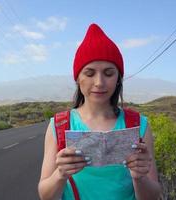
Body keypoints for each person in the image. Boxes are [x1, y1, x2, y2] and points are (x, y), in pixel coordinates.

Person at [38, 23, 162, 200]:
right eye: (89, 74)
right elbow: (45, 195)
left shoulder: (139, 125)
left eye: (109, 73)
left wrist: (139, 177)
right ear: (78, 78)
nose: (99, 82)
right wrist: (60, 174)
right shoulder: (59, 126)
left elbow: (151, 195)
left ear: (119, 78)